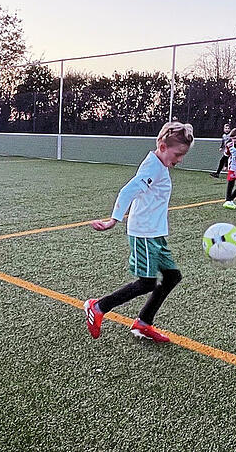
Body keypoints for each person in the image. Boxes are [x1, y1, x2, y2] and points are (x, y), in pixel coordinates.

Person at [83, 121, 194, 343]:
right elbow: (128, 190)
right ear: (163, 146)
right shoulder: (153, 166)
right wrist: (113, 220)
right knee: (147, 282)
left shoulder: (159, 165)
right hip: (143, 233)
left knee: (172, 277)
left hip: (154, 233)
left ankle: (143, 323)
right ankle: (98, 307)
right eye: (178, 154)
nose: (179, 160)